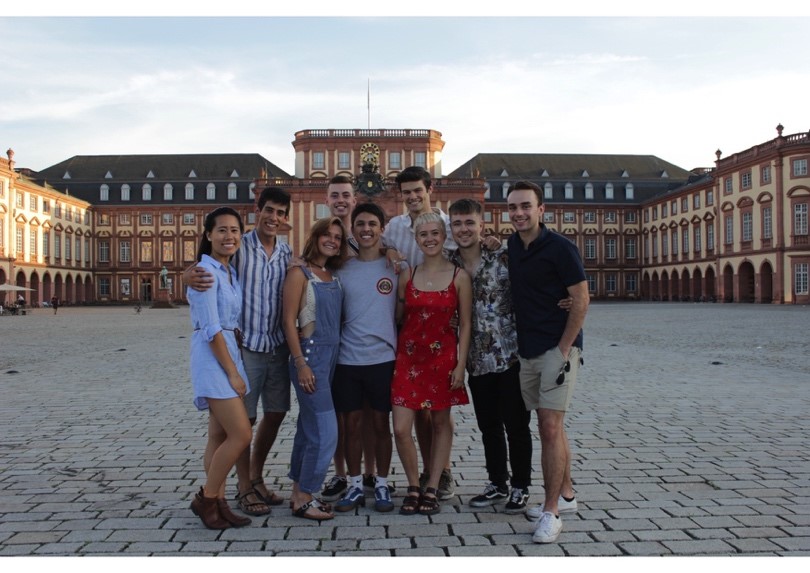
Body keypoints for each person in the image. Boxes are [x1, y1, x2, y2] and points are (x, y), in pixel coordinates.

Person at [185, 186, 292, 516]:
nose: (273, 217)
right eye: (268, 210)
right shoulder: (231, 253)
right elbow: (208, 310)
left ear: (286, 218)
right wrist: (185, 275)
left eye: (280, 212)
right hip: (239, 351)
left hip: (273, 345)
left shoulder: (283, 254)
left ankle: (232, 490)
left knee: (246, 424)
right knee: (241, 427)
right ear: (257, 211)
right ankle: (231, 491)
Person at [506, 181, 589, 544]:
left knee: (549, 427)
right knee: (550, 425)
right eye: (513, 208)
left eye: (526, 206)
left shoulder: (561, 248)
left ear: (542, 209)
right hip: (527, 349)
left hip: (557, 350)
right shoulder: (511, 245)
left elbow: (581, 299)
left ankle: (551, 510)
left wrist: (564, 349)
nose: (519, 213)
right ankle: (567, 493)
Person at [448, 198, 533, 514]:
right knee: (488, 426)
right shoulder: (448, 263)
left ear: (481, 225)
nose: (464, 229)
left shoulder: (503, 256)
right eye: (457, 223)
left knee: (516, 424)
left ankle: (521, 486)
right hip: (475, 359)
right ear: (451, 228)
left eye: (470, 222)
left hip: (510, 355)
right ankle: (498, 482)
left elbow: (533, 286)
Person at [383, 165, 458, 500]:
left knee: (436, 410)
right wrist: (387, 251)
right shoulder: (395, 227)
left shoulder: (448, 226)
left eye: (418, 191)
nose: (413, 197)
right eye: (407, 192)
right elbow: (364, 242)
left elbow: (469, 259)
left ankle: (440, 471)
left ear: (431, 189)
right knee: (418, 410)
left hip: (441, 325)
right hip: (408, 325)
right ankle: (431, 470)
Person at [391, 212, 471, 516]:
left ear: (444, 236)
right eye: (423, 234)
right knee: (400, 428)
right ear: (416, 239)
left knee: (440, 424)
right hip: (408, 359)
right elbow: (398, 318)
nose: (429, 239)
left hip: (443, 361)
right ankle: (413, 484)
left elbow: (465, 324)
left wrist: (460, 367)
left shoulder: (458, 277)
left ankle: (433, 486)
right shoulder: (407, 275)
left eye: (435, 233)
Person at [186, 207, 253, 530]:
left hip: (227, 350)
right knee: (241, 433)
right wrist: (233, 373)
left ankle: (220, 500)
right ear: (209, 234)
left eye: (235, 231)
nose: (230, 236)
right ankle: (207, 500)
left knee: (218, 434)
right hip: (215, 357)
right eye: (222, 230)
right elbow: (212, 327)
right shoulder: (205, 271)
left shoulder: (229, 271)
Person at [332, 203, 398, 513]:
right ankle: (355, 484)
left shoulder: (397, 266)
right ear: (353, 230)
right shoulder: (342, 269)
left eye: (372, 223)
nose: (366, 229)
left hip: (383, 358)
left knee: (381, 424)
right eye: (360, 224)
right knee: (351, 425)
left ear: (382, 228)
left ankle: (382, 483)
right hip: (348, 359)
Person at [282, 216, 348, 521]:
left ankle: (298, 493)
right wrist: (300, 363)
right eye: (327, 235)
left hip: (332, 357)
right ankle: (307, 493)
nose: (332, 240)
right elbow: (288, 321)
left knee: (309, 428)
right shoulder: (300, 273)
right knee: (325, 430)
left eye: (337, 236)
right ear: (315, 236)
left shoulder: (331, 274)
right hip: (309, 357)